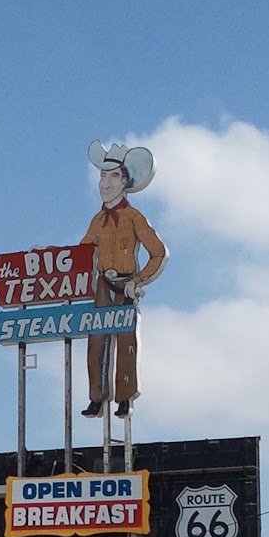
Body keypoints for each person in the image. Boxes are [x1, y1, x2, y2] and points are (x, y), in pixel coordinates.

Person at [80, 141, 167, 417]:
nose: (105, 184)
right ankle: (97, 397)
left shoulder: (133, 217)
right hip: (103, 285)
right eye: (102, 176)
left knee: (126, 343)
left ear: (125, 182)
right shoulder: (98, 220)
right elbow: (81, 253)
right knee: (96, 342)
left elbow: (158, 253)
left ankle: (125, 398)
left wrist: (138, 280)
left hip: (126, 284)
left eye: (113, 176)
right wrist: (48, 257)